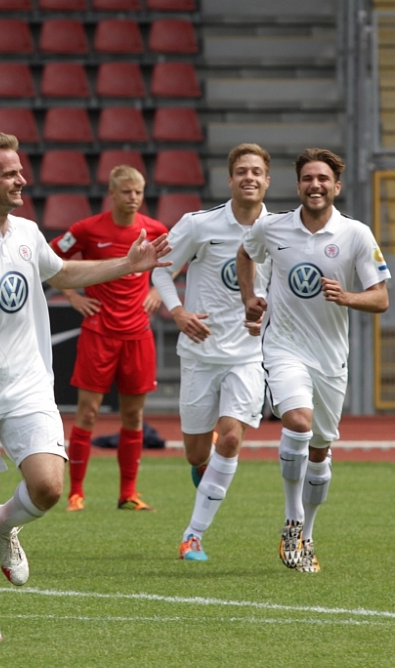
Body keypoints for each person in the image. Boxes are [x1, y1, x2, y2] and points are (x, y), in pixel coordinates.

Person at [0, 132, 171, 641]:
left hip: (28, 385)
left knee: (48, 487)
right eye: (9, 173)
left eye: (20, 170)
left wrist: (128, 265)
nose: (22, 179)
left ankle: (7, 526)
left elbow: (62, 271)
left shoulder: (26, 232)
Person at [237, 148, 390, 573]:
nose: (315, 185)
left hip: (330, 358)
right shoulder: (273, 227)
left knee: (320, 451)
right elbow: (246, 253)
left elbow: (381, 298)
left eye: (323, 179)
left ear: (336, 186)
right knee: (297, 422)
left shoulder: (356, 234)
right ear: (299, 185)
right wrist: (250, 297)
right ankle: (292, 520)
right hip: (284, 347)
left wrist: (348, 297)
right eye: (308, 178)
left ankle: (307, 535)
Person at [150, 143, 273, 562]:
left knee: (232, 436)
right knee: (196, 452)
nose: (249, 177)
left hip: (248, 354)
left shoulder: (279, 230)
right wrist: (178, 311)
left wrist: (268, 319)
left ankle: (193, 536)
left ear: (267, 180)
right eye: (242, 171)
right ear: (230, 179)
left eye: (256, 171)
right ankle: (206, 465)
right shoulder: (199, 224)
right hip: (201, 353)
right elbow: (161, 270)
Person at [50, 165, 169, 513]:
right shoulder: (87, 229)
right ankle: (76, 494)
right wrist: (72, 296)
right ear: (112, 193)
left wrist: (158, 292)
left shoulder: (155, 229)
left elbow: (174, 263)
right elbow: (49, 258)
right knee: (87, 412)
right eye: (126, 191)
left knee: (134, 415)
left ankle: (128, 494)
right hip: (99, 332)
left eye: (138, 192)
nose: (133, 198)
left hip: (137, 334)